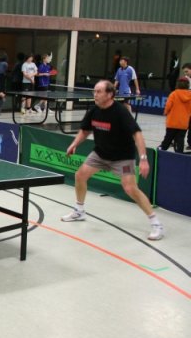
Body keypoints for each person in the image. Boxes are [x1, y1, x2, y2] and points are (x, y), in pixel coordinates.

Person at [61, 80, 164, 241]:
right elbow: (85, 131)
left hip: (122, 157)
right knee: (80, 175)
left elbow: (137, 134)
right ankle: (79, 211)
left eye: (99, 91)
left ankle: (156, 224)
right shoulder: (94, 111)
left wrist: (143, 159)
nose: (95, 94)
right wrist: (74, 144)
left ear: (109, 94)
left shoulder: (121, 112)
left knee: (130, 189)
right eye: (94, 91)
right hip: (100, 154)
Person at [158, 79, 191, 153]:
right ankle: (179, 155)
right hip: (183, 123)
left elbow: (168, 106)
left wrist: (165, 112)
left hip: (172, 122)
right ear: (188, 85)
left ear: (178, 84)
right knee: (180, 140)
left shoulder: (174, 94)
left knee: (168, 139)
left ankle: (161, 152)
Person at [182, 63, 191, 150]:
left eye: (187, 71)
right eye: (184, 72)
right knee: (183, 126)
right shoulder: (185, 80)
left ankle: (190, 143)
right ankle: (178, 142)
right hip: (186, 108)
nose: (185, 74)